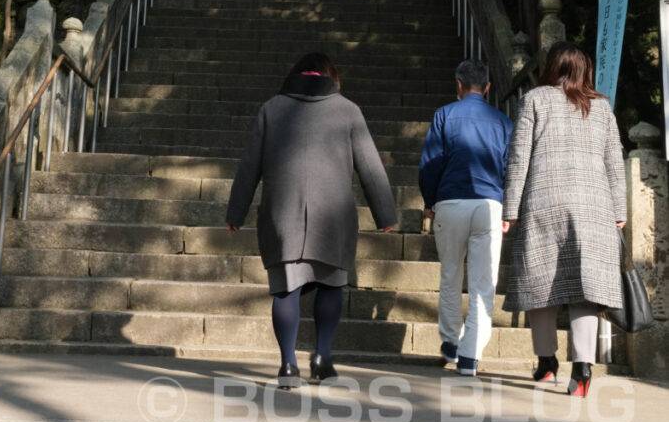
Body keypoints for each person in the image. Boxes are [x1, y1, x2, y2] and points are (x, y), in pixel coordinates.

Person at [225, 52, 398, 388]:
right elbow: (371, 166)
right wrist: (385, 213)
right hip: (332, 216)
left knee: (286, 288)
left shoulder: (272, 108)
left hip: (282, 213)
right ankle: (322, 359)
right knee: (332, 284)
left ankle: (288, 366)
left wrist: (236, 212)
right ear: (331, 77)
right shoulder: (348, 110)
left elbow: (250, 165)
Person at [502, 41, 627, 398]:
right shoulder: (601, 108)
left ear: (552, 67)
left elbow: (518, 158)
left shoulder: (535, 99)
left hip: (544, 202)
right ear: (584, 70)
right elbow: (613, 164)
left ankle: (546, 364)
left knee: (541, 286)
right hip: (594, 207)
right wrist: (620, 211)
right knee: (585, 291)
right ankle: (583, 369)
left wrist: (511, 209)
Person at [419, 59, 513, 377]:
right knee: (483, 283)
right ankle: (470, 356)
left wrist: (430, 201)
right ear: (487, 87)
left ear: (458, 84)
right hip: (489, 205)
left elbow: (431, 162)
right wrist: (508, 209)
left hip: (451, 202)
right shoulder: (502, 122)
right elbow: (510, 168)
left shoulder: (444, 115)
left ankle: (450, 342)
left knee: (450, 276)